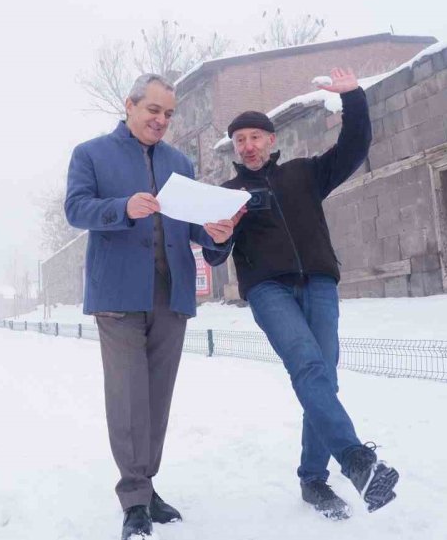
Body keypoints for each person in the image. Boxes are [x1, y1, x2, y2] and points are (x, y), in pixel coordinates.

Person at [206, 68, 399, 520]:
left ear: (272, 140)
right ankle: (356, 460)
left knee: (323, 379)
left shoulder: (305, 174)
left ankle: (313, 479)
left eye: (256, 137)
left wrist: (353, 97)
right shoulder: (226, 194)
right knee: (308, 366)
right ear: (235, 150)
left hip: (318, 282)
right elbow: (214, 253)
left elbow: (354, 148)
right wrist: (217, 235)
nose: (248, 146)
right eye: (240, 141)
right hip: (268, 289)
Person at [65, 73, 236, 540]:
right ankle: (134, 497)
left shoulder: (180, 162)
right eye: (153, 110)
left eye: (168, 113)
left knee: (157, 398)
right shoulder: (91, 154)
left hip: (171, 294)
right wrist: (122, 208)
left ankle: (147, 484)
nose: (161, 120)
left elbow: (194, 225)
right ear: (130, 105)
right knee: (127, 398)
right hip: (118, 295)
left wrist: (218, 235)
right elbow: (76, 209)